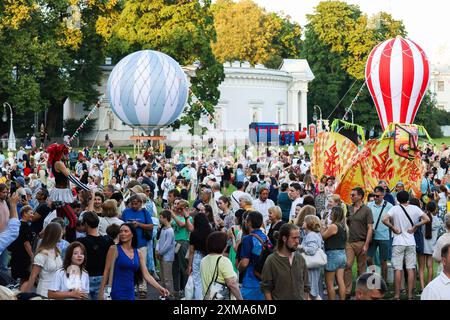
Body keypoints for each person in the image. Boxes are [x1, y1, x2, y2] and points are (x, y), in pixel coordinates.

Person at [99, 223, 169, 300]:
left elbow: (146, 275)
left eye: (126, 231)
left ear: (132, 234)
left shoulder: (138, 253)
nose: (122, 233)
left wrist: (160, 288)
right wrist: (101, 293)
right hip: (116, 292)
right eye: (121, 231)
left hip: (130, 292)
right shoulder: (114, 249)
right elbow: (106, 271)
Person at [382, 190, 430, 300]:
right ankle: (410, 296)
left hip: (398, 241)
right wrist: (415, 226)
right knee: (410, 268)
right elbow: (426, 219)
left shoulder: (394, 208)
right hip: (411, 241)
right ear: (408, 197)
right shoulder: (415, 208)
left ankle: (397, 295)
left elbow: (384, 219)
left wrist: (393, 228)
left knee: (397, 269)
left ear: (397, 199)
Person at [260, 224, 310, 300]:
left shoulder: (300, 259)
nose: (297, 241)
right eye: (294, 238)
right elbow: (266, 288)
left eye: (298, 238)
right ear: (284, 238)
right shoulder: (271, 260)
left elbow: (306, 286)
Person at [120, 194, 153, 298]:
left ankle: (143, 288)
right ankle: (132, 287)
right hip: (128, 244)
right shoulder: (126, 212)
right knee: (130, 266)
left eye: (136, 203)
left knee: (142, 266)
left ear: (140, 203)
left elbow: (151, 226)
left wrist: (139, 225)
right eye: (132, 203)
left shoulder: (144, 212)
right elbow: (121, 225)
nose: (134, 205)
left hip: (141, 243)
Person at [344, 187, 373, 299]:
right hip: (349, 242)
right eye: (351, 195)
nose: (351, 197)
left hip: (361, 242)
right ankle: (347, 291)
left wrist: (366, 244)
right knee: (347, 265)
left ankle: (361, 293)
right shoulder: (349, 208)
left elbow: (370, 228)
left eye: (353, 195)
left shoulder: (367, 210)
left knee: (361, 268)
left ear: (360, 196)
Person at [78, 211, 114, 300]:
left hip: (85, 277)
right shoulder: (108, 240)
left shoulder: (80, 242)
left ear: (85, 224)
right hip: (103, 278)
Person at [21, 223, 63, 297]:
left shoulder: (56, 251)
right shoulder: (42, 254)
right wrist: (26, 295)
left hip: (56, 292)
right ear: (55, 234)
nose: (62, 234)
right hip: (44, 292)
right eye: (61, 232)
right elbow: (33, 276)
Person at [200, 231, 243, 300]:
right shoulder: (223, 261)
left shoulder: (203, 260)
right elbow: (232, 284)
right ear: (223, 246)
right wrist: (240, 298)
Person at [238, 211, 269, 300]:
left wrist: (238, 269)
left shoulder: (248, 239)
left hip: (250, 281)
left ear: (249, 223)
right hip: (263, 279)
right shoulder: (265, 237)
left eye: (246, 220)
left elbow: (244, 263)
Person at [366, 186, 393, 282]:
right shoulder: (369, 205)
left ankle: (383, 282)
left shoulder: (389, 206)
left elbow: (392, 221)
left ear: (383, 195)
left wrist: (391, 230)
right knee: (368, 258)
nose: (375, 198)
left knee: (383, 261)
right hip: (372, 236)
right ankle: (374, 277)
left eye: (377, 196)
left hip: (384, 237)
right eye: (374, 195)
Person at [321, 206, 347, 301]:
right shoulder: (343, 226)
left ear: (335, 214)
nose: (329, 215)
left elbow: (322, 236)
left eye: (331, 213)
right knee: (340, 281)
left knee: (329, 283)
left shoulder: (333, 226)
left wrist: (323, 226)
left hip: (332, 254)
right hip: (342, 254)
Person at [171, 199, 193, 298]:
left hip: (183, 242)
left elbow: (181, 224)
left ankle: (186, 289)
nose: (177, 208)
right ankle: (176, 289)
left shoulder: (188, 218)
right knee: (174, 267)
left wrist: (172, 214)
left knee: (184, 267)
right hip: (173, 243)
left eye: (180, 207)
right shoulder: (174, 216)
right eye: (176, 206)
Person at [187, 212, 213, 300]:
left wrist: (189, 265)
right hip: (208, 256)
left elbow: (191, 251)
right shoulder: (211, 232)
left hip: (197, 256)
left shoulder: (194, 233)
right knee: (207, 280)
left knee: (197, 281)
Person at [419, 201, 443, 292]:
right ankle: (428, 287)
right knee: (430, 267)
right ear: (435, 209)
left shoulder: (422, 219)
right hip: (432, 246)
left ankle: (422, 288)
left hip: (422, 246)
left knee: (421, 268)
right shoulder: (438, 220)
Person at [299, 215, 324, 300]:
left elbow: (312, 250)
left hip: (310, 267)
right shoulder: (315, 234)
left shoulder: (311, 235)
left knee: (309, 291)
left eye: (304, 221)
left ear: (309, 224)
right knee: (313, 292)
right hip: (313, 266)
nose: (303, 222)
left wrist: (300, 247)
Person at [8, 205, 34, 285]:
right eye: (31, 213)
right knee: (25, 277)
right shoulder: (24, 226)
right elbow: (26, 243)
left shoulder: (18, 225)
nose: (32, 215)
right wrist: (32, 256)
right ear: (24, 214)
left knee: (15, 276)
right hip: (22, 256)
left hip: (15, 254)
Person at [156, 210, 175, 296]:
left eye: (161, 217)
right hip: (162, 255)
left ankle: (169, 292)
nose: (160, 219)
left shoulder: (170, 231)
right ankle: (164, 292)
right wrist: (157, 250)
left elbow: (167, 245)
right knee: (163, 276)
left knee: (167, 276)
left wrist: (160, 252)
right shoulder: (163, 229)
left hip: (167, 257)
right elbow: (159, 241)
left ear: (165, 218)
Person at [0, 186, 20, 255]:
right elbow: (14, 231)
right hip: (2, 237)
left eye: (6, 192)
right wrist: (13, 205)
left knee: (4, 265)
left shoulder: (5, 202)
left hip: (5, 236)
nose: (5, 194)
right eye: (3, 192)